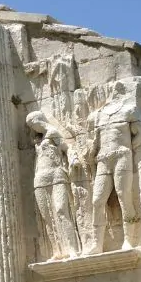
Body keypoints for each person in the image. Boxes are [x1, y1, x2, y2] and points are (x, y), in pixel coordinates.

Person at [87, 83, 141, 252]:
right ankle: (96, 243)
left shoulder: (129, 110)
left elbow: (139, 134)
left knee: (123, 195)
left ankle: (129, 239)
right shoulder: (99, 116)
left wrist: (128, 149)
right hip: (104, 158)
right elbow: (96, 142)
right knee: (97, 200)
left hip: (121, 155)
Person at [27, 111, 81, 260]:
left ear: (39, 120)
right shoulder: (37, 140)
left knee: (61, 210)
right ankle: (57, 250)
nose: (33, 127)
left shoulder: (52, 132)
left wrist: (73, 159)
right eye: (30, 125)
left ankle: (72, 249)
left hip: (56, 173)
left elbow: (66, 148)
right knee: (47, 217)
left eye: (33, 123)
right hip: (40, 178)